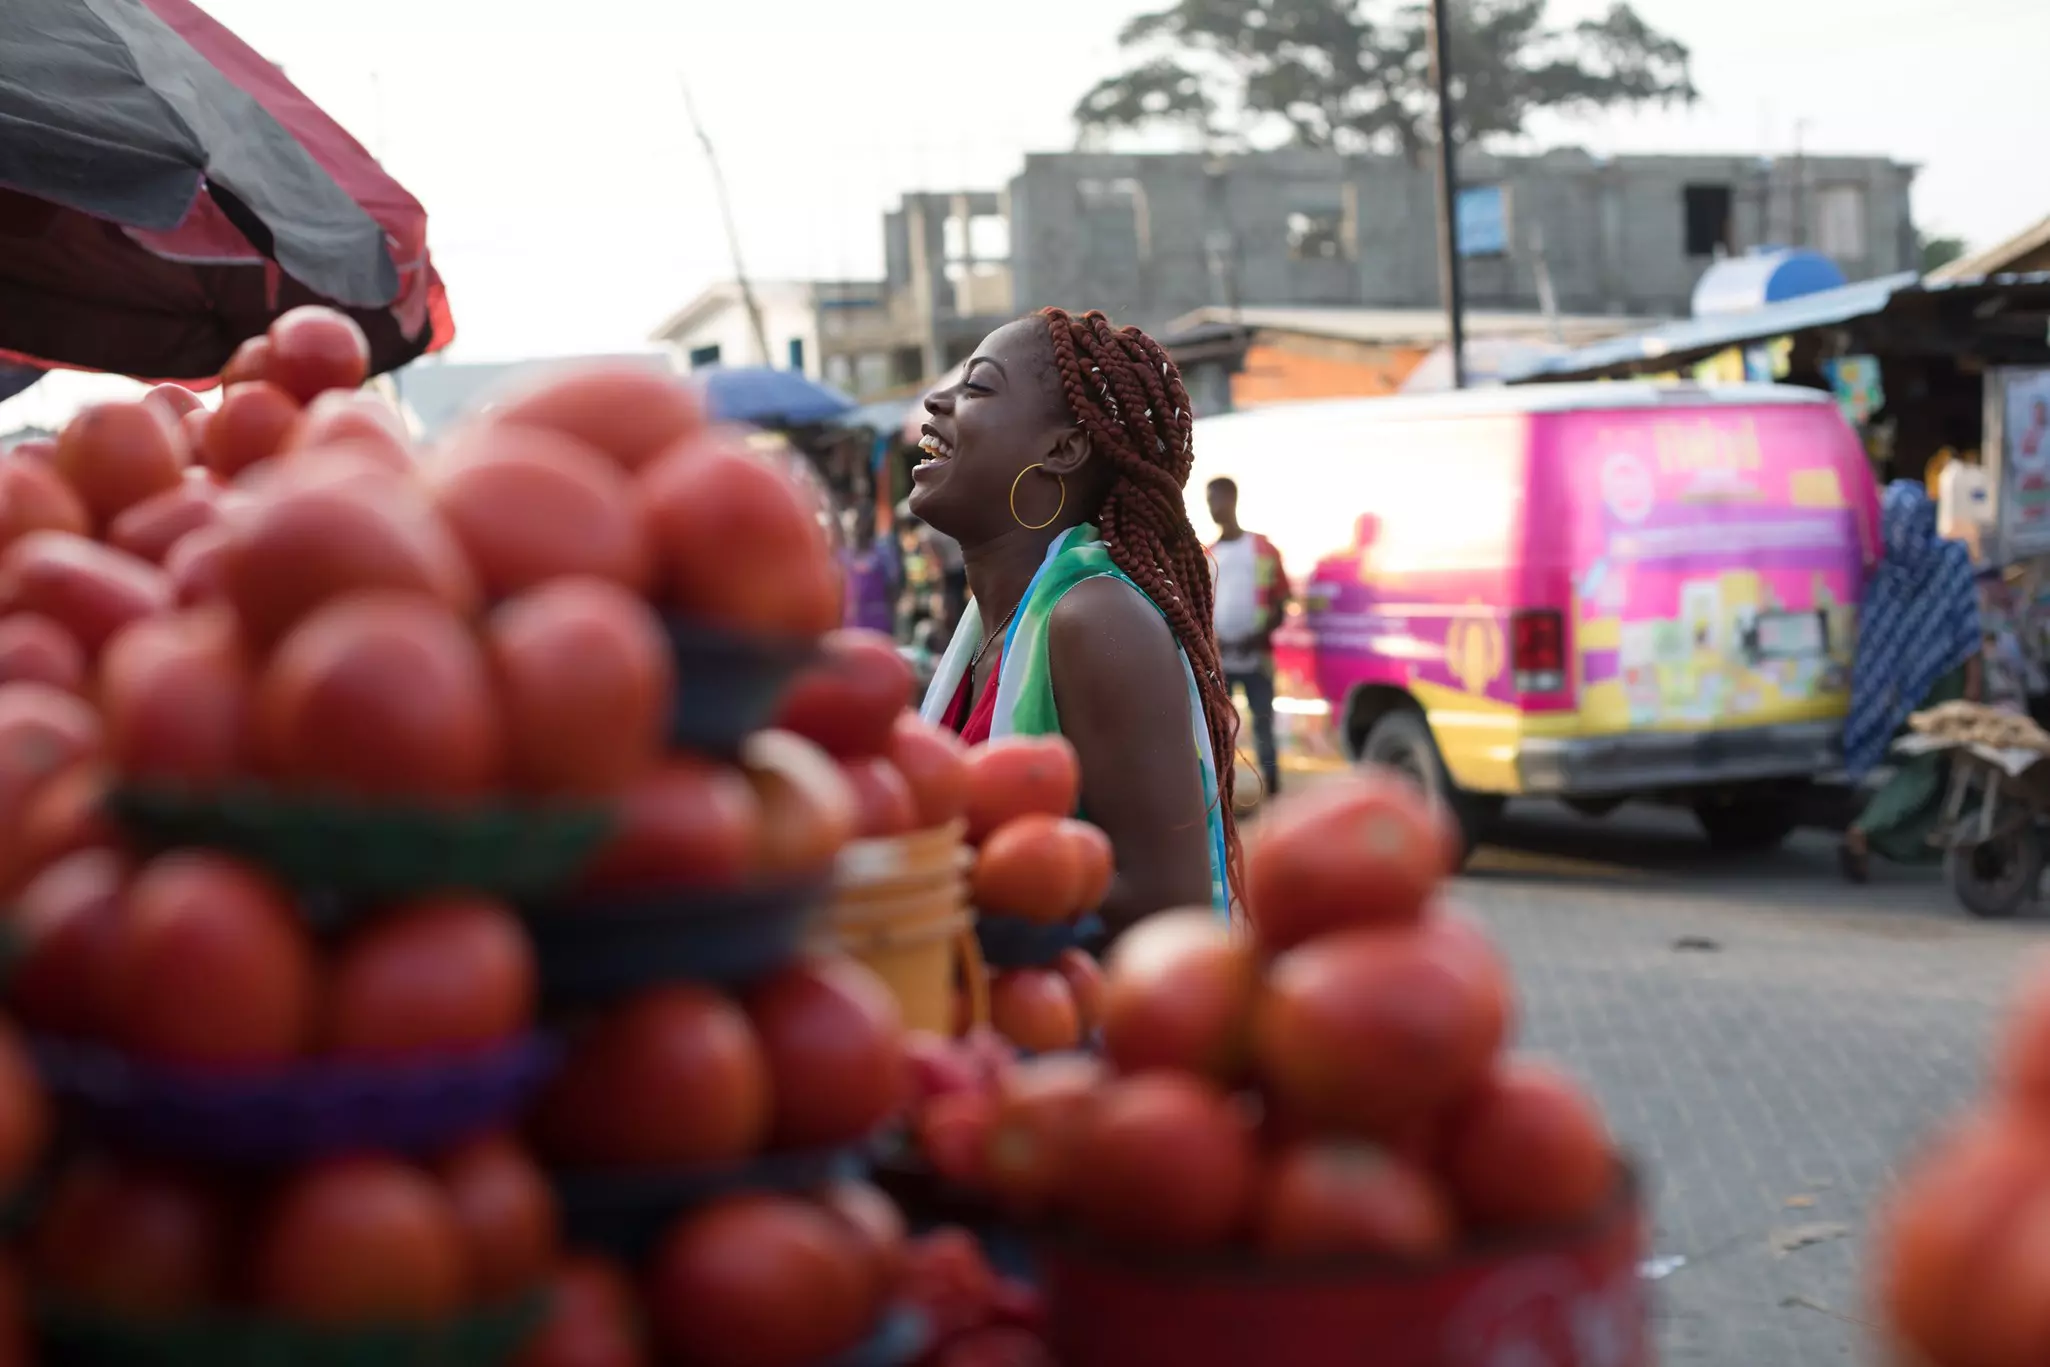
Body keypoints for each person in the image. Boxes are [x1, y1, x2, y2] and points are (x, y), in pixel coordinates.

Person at [909, 307, 1236, 927]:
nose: (936, 400)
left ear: (1063, 449)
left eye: (976, 386)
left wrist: (951, 877)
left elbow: (1171, 907)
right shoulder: (992, 625)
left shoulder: (1094, 619)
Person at [1839, 480, 1984, 883]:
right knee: (1929, 766)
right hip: (1946, 683)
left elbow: (1875, 640)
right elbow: (1968, 628)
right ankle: (1866, 831)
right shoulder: (1950, 559)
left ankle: (1896, 838)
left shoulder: (1882, 571)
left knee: (1928, 766)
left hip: (1900, 694)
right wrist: (1973, 683)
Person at [1206, 476, 1290, 800]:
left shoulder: (1263, 549)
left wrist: (1257, 636)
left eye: (1218, 499)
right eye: (1209, 500)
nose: (1213, 508)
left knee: (1263, 724)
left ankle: (1273, 793)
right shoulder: (1208, 554)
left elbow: (1282, 602)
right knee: (1221, 731)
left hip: (1257, 660)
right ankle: (1225, 795)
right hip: (1221, 662)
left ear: (1232, 499)